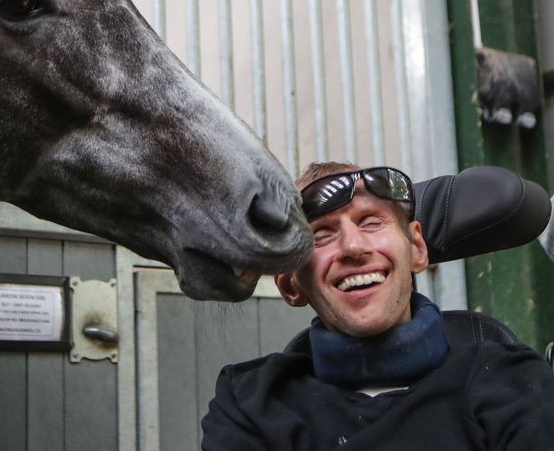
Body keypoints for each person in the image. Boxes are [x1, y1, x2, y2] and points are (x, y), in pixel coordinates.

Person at [201, 162, 554, 450]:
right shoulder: (249, 403)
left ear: (416, 248)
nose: (353, 246)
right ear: (290, 285)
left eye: (371, 222)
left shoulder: (512, 381)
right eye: (321, 235)